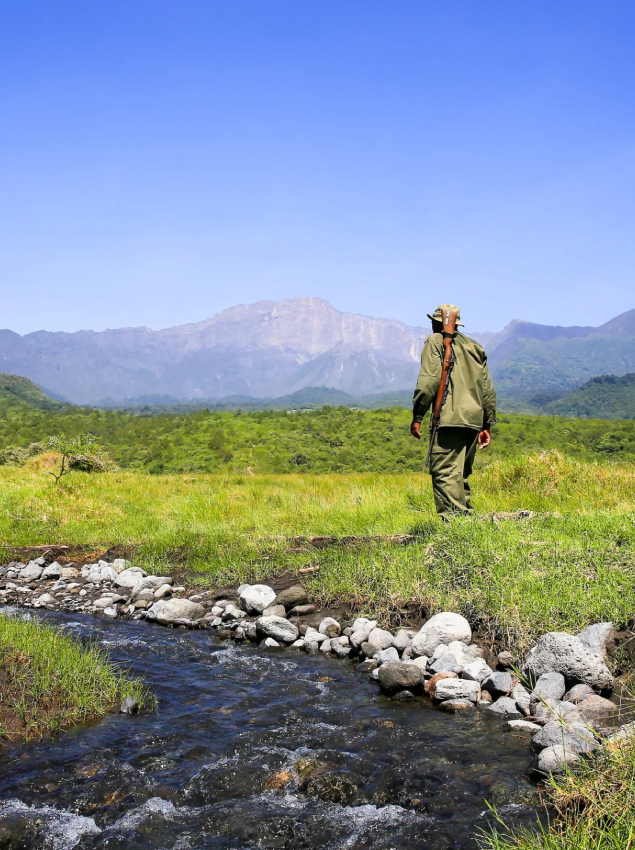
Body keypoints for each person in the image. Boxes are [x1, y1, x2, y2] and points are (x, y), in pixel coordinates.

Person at [410, 304, 496, 519]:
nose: (430, 324)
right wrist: (486, 424)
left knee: (445, 474)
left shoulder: (435, 341)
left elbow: (428, 382)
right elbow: (487, 390)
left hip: (449, 418)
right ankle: (467, 525)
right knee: (460, 475)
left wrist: (418, 415)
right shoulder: (475, 347)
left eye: (433, 321)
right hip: (474, 419)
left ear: (438, 322)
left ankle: (455, 527)